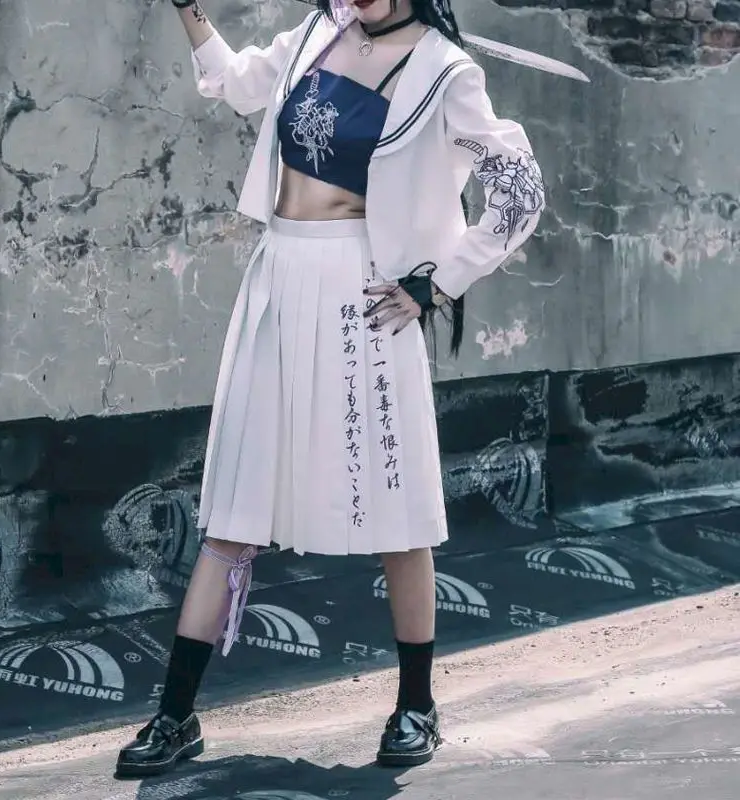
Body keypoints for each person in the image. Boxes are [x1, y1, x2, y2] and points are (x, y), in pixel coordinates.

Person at [115, 0, 545, 778]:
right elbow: (239, 84)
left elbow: (519, 192)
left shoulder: (446, 71)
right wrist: (190, 12)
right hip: (279, 279)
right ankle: (175, 716)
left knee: (398, 511)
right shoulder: (315, 33)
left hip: (364, 291)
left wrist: (436, 283)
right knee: (235, 504)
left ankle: (417, 706)